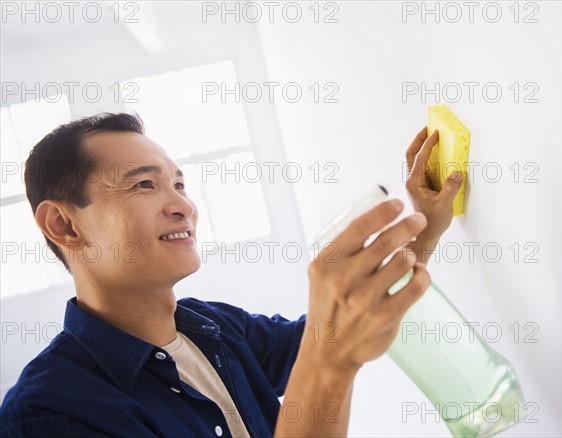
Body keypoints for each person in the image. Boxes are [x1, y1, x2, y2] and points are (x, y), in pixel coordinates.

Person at [0, 113, 463, 437]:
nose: (183, 205)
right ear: (64, 225)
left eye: (179, 184)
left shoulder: (214, 328)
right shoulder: (45, 414)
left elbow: (340, 326)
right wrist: (333, 361)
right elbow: (328, 347)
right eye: (143, 184)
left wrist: (423, 226)